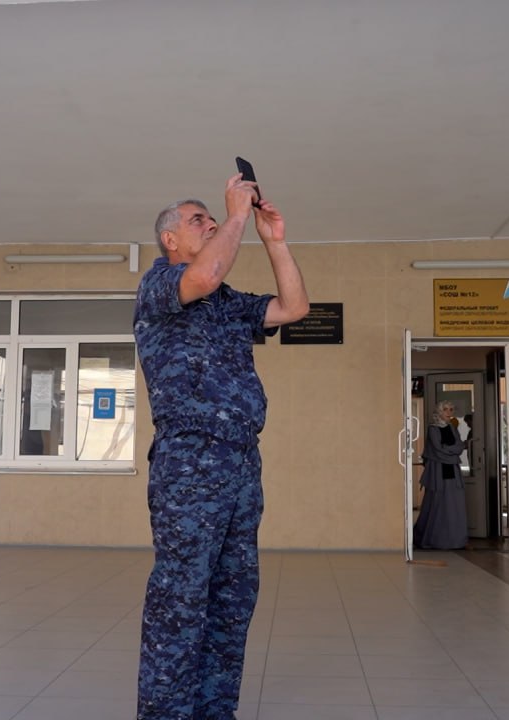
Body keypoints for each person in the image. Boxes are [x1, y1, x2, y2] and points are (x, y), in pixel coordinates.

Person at [133, 173, 309, 720]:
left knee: (232, 599)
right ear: (170, 239)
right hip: (190, 459)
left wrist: (274, 241)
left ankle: (214, 710)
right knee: (181, 598)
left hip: (240, 460)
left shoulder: (227, 302)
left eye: (213, 218)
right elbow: (205, 274)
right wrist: (235, 215)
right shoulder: (160, 285)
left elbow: (294, 308)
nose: (209, 224)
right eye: (198, 220)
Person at [413, 400, 469, 550]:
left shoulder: (452, 428)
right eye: (446, 409)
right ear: (439, 411)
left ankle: (455, 540)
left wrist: (450, 450)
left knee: (454, 503)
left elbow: (460, 446)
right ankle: (436, 539)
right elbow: (438, 449)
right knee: (438, 503)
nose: (449, 412)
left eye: (451, 409)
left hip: (452, 470)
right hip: (438, 471)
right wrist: (453, 452)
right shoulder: (433, 429)